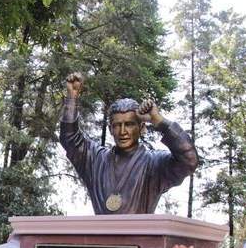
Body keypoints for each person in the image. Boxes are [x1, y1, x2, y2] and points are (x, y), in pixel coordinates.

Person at [59, 73, 198, 214]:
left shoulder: (155, 163)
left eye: (130, 124)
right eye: (117, 125)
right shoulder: (96, 160)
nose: (123, 131)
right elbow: (70, 139)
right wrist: (72, 98)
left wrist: (159, 121)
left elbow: (189, 161)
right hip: (101, 234)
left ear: (142, 128)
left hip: (139, 235)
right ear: (110, 129)